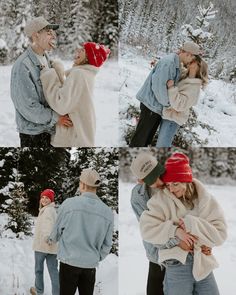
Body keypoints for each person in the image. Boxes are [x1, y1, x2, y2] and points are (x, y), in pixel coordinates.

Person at [140, 153, 227, 295]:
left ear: (186, 181)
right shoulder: (161, 200)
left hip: (203, 264)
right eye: (168, 185)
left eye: (175, 184)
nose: (172, 189)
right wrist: (175, 231)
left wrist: (193, 224)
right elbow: (146, 229)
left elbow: (220, 234)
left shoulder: (205, 200)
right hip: (177, 265)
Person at [47, 168, 114, 295]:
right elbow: (107, 244)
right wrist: (96, 257)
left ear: (82, 184)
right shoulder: (107, 212)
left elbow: (56, 232)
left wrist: (51, 239)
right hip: (90, 265)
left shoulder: (69, 204)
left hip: (69, 262)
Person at [10, 16, 73, 147]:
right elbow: (28, 107)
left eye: (53, 32)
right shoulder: (23, 66)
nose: (53, 36)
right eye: (48, 32)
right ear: (36, 35)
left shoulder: (46, 58)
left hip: (49, 130)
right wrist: (56, 118)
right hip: (34, 134)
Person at [129, 41, 201, 147]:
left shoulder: (175, 64)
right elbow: (158, 88)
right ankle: (133, 161)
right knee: (140, 140)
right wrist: (169, 105)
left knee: (146, 140)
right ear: (188, 54)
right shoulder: (169, 63)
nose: (191, 61)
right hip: (151, 106)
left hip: (155, 107)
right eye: (192, 58)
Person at [40, 42, 110, 147]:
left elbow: (61, 104)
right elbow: (69, 96)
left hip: (73, 138)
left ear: (88, 57)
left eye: (82, 50)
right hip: (79, 136)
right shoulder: (86, 75)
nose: (78, 51)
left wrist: (49, 75)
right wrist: (59, 72)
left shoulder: (79, 74)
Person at [156, 57, 209, 147]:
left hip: (173, 119)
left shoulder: (194, 87)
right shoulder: (184, 75)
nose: (191, 60)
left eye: (194, 61)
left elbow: (179, 105)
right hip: (168, 114)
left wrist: (171, 88)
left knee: (162, 146)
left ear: (198, 66)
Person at [30, 189, 59, 295]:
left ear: (51, 200)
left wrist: (47, 237)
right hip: (52, 248)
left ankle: (38, 290)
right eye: (42, 197)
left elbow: (48, 225)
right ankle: (57, 292)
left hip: (42, 246)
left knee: (38, 269)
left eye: (47, 198)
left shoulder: (47, 210)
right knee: (54, 271)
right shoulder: (52, 210)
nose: (44, 200)